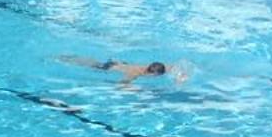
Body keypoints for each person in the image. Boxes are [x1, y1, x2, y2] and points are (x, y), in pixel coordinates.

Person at [58, 55, 188, 86]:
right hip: (109, 68)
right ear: (151, 73)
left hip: (122, 63)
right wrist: (132, 89)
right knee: (89, 64)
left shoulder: (160, 67)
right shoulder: (136, 73)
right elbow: (123, 83)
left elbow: (175, 66)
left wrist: (180, 76)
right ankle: (66, 59)